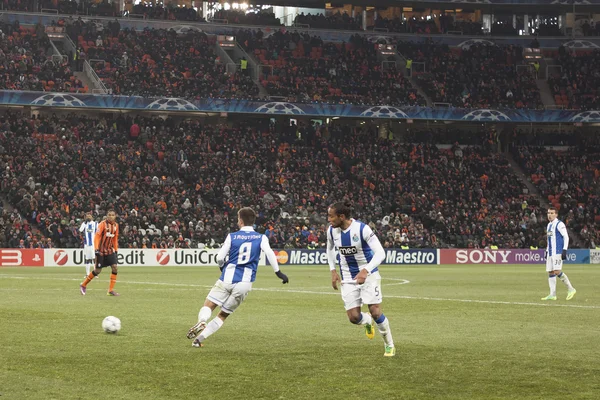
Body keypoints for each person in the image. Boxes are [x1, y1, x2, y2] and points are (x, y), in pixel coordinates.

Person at [186, 207, 288, 348]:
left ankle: (202, 320)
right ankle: (198, 340)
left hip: (226, 278)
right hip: (244, 284)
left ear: (240, 221)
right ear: (253, 222)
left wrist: (222, 267)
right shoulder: (261, 237)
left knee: (209, 305)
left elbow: (220, 257)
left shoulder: (232, 236)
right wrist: (278, 272)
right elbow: (270, 253)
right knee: (222, 315)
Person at [326, 201, 395, 357]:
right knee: (353, 317)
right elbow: (329, 249)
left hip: (368, 274)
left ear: (341, 216)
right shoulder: (331, 231)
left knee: (376, 312)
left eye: (331, 216)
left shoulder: (362, 229)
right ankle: (367, 321)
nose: (329, 220)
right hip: (348, 276)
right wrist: (332, 270)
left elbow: (380, 253)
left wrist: (366, 270)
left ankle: (389, 344)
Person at [80, 210, 120, 296]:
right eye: (109, 215)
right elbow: (97, 237)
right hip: (101, 251)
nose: (111, 217)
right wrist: (96, 249)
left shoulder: (116, 226)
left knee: (115, 267)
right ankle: (83, 284)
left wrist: (116, 250)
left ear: (115, 216)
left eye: (113, 215)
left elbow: (115, 238)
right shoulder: (102, 224)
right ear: (107, 216)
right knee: (97, 271)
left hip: (109, 250)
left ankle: (110, 290)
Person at [541, 207, 576, 301]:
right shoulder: (549, 225)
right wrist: (547, 250)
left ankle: (571, 289)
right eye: (548, 213)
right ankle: (552, 294)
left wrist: (564, 250)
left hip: (557, 251)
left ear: (556, 214)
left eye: (552, 213)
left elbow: (566, 237)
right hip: (551, 252)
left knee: (557, 271)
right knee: (551, 272)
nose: (549, 215)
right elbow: (549, 239)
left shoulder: (559, 224)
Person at [79, 212, 98, 277]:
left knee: (94, 258)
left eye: (89, 216)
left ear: (92, 217)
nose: (88, 217)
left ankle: (95, 273)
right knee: (87, 259)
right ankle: (87, 274)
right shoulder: (84, 224)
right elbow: (80, 230)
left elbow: (98, 232)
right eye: (87, 216)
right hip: (87, 244)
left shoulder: (95, 223)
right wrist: (84, 223)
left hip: (93, 244)